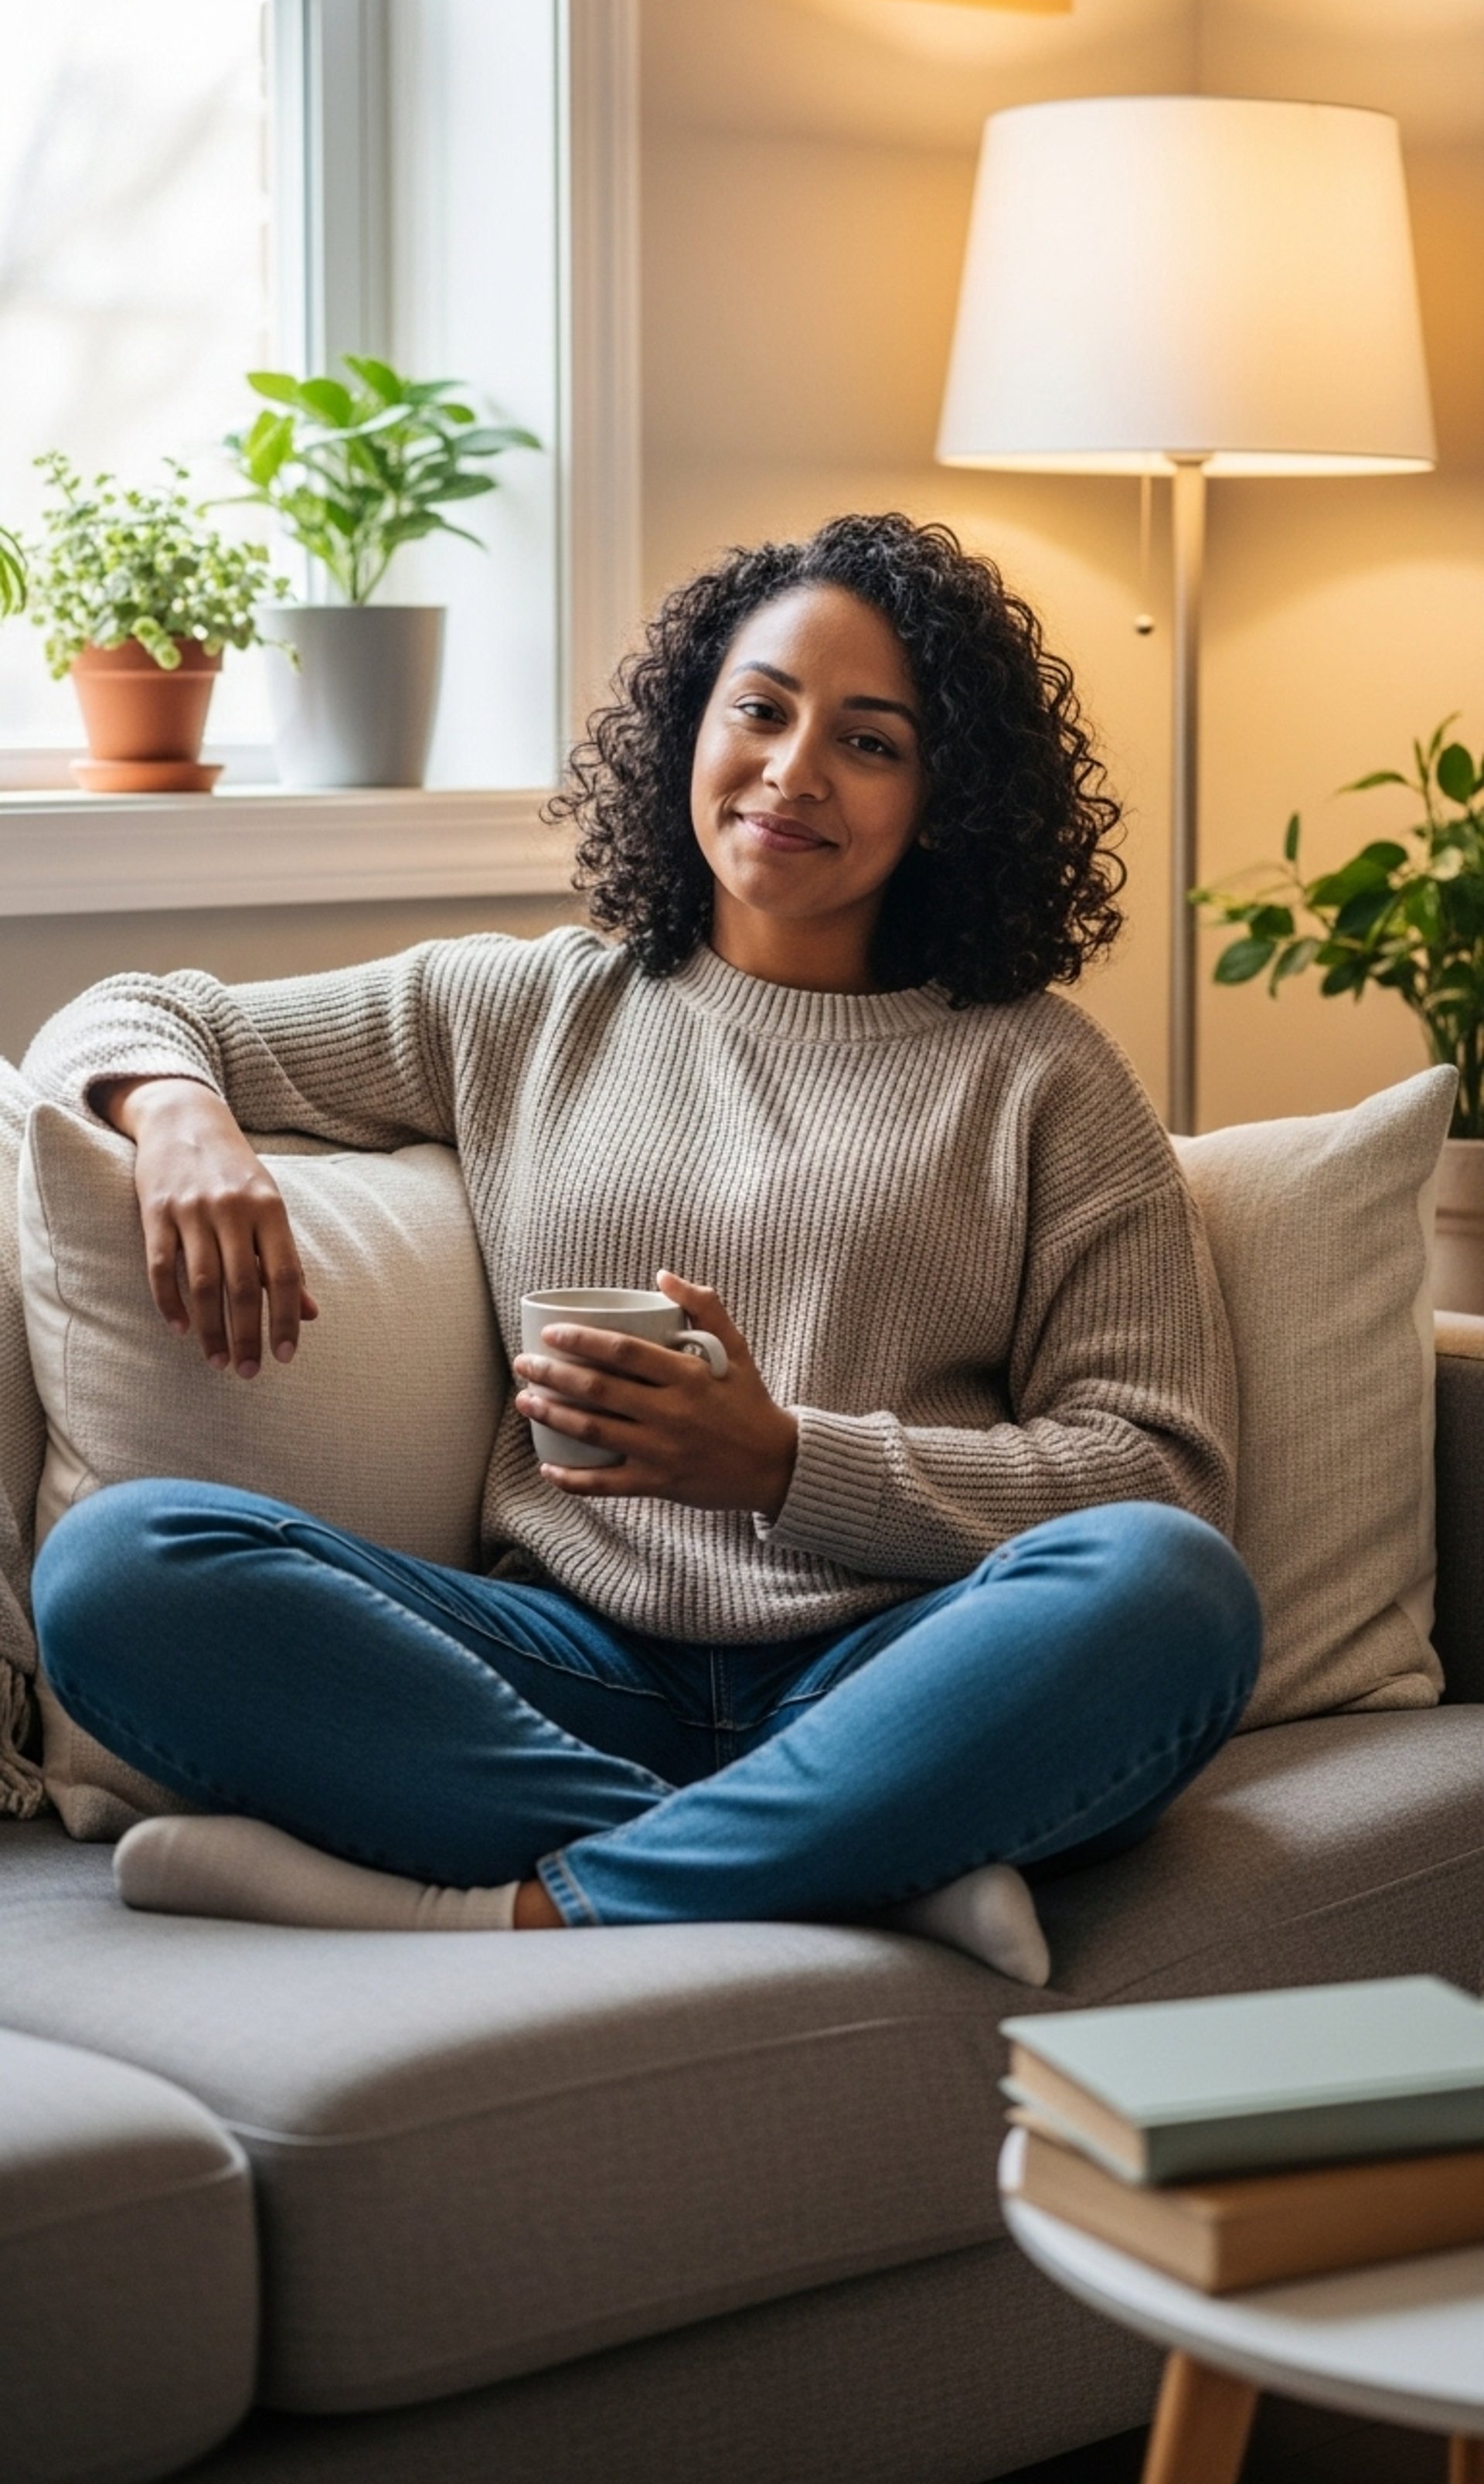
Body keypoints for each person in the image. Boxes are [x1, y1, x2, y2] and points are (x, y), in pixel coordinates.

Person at [25, 513, 1259, 1982]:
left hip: (897, 1679)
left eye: (871, 742)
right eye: (760, 708)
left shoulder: (1044, 1077)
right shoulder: (528, 1007)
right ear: (692, 723)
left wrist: (786, 1465)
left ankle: (531, 1905)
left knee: (1173, 1592)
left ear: (947, 797)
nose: (792, 771)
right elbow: (129, 1011)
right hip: (557, 1670)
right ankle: (855, 1864)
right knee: (118, 1565)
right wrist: (177, 1120)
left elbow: (1159, 1471)